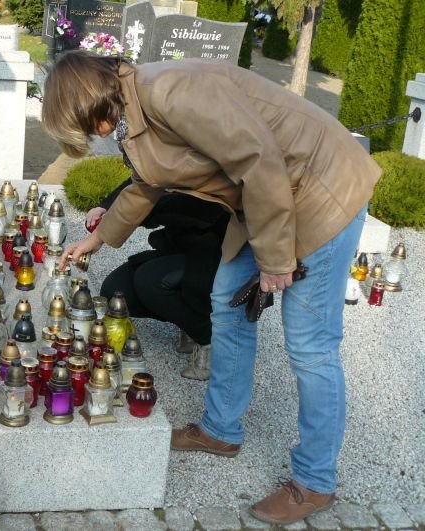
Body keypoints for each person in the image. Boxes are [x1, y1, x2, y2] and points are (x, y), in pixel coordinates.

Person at [43, 51, 380, 525]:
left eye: (84, 126)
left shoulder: (169, 91)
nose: (93, 136)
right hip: (267, 201)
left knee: (311, 346)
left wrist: (275, 259)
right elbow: (147, 184)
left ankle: (315, 481)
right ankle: (221, 430)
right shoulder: (133, 108)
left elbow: (259, 160)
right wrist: (96, 239)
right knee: (226, 302)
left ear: (91, 102)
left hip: (320, 190)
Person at [89, 181, 228, 379]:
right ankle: (188, 321)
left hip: (217, 255)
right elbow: (143, 180)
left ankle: (209, 337)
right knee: (116, 292)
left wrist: (128, 215)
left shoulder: (205, 167)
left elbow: (187, 208)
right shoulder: (167, 164)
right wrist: (106, 206)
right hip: (180, 249)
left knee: (149, 281)